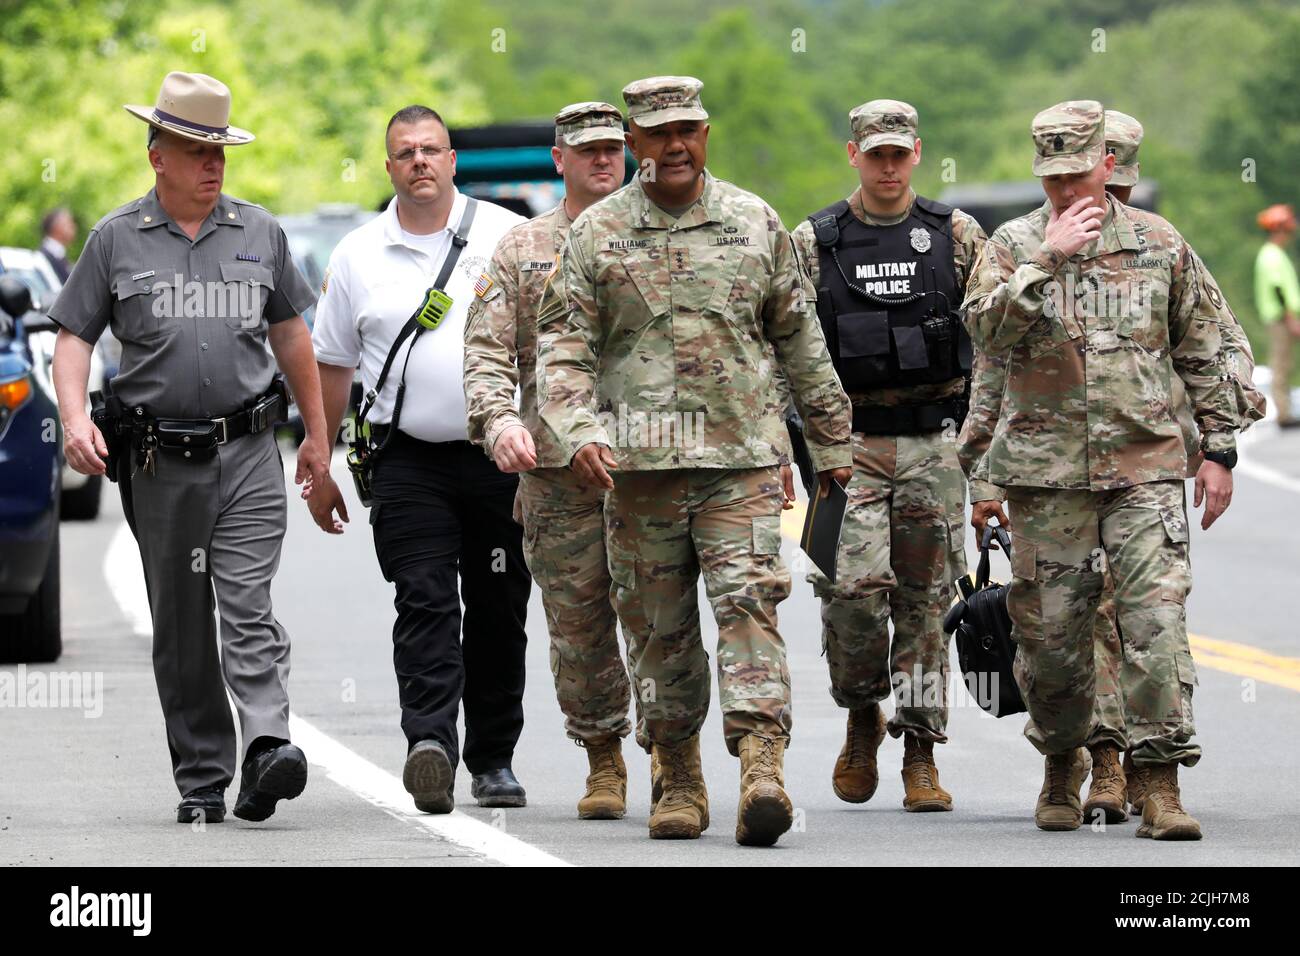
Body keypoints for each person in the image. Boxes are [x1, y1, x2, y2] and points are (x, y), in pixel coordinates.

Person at [539, 76, 853, 846]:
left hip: (739, 462)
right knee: (658, 630)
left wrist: (833, 443)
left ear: (705, 134)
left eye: (689, 130)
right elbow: (563, 347)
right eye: (658, 134)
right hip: (639, 473)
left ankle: (762, 766)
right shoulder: (596, 234)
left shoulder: (754, 222)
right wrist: (577, 430)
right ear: (635, 145)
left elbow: (800, 337)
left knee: (750, 604)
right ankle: (677, 772)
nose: (676, 146)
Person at [961, 108, 1266, 827]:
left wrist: (1218, 449)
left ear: (1106, 164)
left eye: (1077, 174)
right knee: (1054, 644)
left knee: (1155, 624)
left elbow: (1209, 348)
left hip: (1146, 471)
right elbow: (983, 335)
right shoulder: (1013, 245)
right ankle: (1063, 761)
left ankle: (1158, 782)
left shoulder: (1160, 244)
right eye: (1053, 178)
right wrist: (1047, 260)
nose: (1066, 190)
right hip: (1048, 478)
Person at [49, 71, 324, 824]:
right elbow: (73, 336)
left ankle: (267, 746)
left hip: (247, 452)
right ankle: (203, 774)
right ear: (156, 155)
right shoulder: (114, 240)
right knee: (183, 623)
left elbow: (292, 334)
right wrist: (75, 419)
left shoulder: (260, 232)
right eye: (196, 149)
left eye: (221, 152)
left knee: (245, 601)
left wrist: (319, 440)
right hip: (157, 462)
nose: (213, 165)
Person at [308, 105, 530, 814]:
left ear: (452, 160)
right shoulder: (357, 255)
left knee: (499, 607)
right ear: (389, 168)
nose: (420, 162)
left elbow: (550, 343)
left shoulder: (506, 236)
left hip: (497, 456)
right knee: (425, 599)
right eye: (405, 153)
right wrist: (321, 461)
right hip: (406, 462)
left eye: (431, 150)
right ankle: (428, 744)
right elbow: (334, 365)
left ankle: (494, 758)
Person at [790, 100, 985, 812]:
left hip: (935, 443)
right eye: (876, 154)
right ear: (854, 155)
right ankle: (860, 711)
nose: (889, 165)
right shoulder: (813, 240)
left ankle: (922, 752)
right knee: (849, 596)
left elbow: (994, 342)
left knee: (928, 605)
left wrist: (982, 454)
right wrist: (798, 447)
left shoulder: (956, 235)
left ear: (918, 152)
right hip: (847, 450)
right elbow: (785, 345)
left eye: (900, 153)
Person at [463, 101, 648, 819]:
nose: (603, 160)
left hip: (649, 467)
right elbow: (484, 353)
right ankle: (603, 756)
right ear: (558, 159)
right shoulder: (522, 248)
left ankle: (672, 754)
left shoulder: (659, 233)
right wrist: (499, 421)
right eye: (587, 150)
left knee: (660, 619)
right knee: (579, 625)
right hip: (557, 477)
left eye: (612, 148)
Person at [1254, 203, 1300, 426]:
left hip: (1282, 317)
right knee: (1281, 365)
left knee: (1284, 364)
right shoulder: (1272, 255)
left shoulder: (1273, 254)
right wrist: (1291, 319)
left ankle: (1286, 409)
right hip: (1281, 318)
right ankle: (1283, 413)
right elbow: (1278, 289)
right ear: (1279, 229)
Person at [39, 208, 77, 283]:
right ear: (57, 227)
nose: (74, 227)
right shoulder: (41, 258)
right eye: (69, 224)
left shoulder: (60, 256)